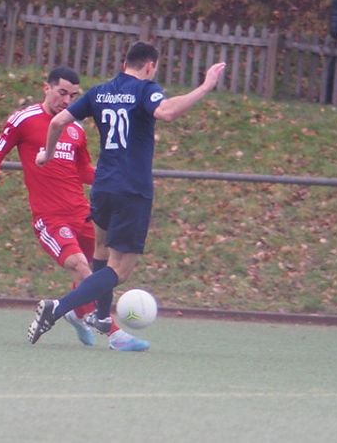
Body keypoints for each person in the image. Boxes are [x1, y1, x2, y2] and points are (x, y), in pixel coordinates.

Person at [27, 41, 226, 347]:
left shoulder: (99, 92)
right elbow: (167, 112)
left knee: (102, 253)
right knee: (120, 269)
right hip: (132, 190)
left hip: (103, 187)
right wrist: (205, 86)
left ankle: (102, 318)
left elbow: (56, 122)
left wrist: (48, 154)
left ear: (124, 64)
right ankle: (59, 308)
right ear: (149, 66)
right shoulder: (145, 89)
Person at [0, 67, 149, 351]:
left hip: (84, 214)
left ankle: (77, 312)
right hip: (50, 219)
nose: (67, 101)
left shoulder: (75, 128)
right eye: (62, 93)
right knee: (81, 266)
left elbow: (83, 171)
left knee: (104, 271)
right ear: (47, 88)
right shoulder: (23, 120)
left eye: (73, 96)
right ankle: (113, 333)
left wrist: (119, 180)